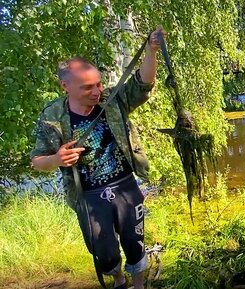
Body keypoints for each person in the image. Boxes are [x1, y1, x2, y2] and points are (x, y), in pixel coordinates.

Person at [30, 27, 165, 289]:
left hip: (126, 186)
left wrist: (151, 50)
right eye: (88, 87)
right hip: (89, 197)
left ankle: (138, 284)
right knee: (104, 252)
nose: (96, 91)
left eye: (99, 84)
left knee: (134, 242)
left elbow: (143, 83)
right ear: (65, 86)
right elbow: (37, 161)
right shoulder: (53, 117)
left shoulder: (111, 99)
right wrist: (57, 159)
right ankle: (117, 278)